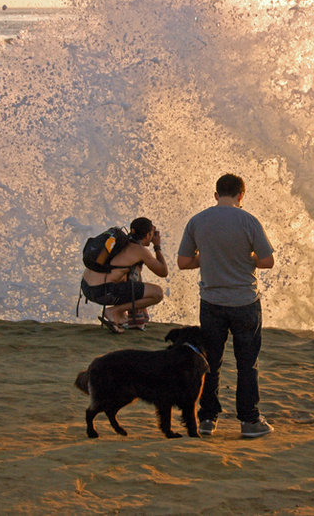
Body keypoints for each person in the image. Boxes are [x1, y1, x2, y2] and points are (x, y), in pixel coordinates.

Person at [177, 173, 275, 438]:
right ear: (242, 195)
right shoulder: (248, 220)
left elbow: (184, 262)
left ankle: (207, 419)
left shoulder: (198, 221)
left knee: (211, 362)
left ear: (216, 194)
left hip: (212, 302)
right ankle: (249, 421)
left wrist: (208, 258)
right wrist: (247, 258)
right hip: (244, 302)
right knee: (247, 364)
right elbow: (267, 261)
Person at [81, 217, 168, 334]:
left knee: (127, 277)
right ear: (147, 236)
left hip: (86, 288)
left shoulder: (119, 243)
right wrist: (157, 246)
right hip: (102, 292)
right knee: (157, 293)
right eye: (152, 233)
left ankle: (121, 316)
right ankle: (114, 312)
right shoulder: (140, 250)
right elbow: (163, 271)